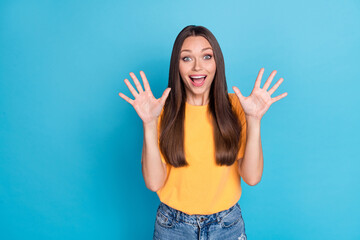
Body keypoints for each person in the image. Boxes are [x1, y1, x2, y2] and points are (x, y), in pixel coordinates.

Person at [119, 25, 287, 240]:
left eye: (206, 56)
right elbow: (154, 183)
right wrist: (149, 123)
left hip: (227, 226)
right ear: (176, 66)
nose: (198, 67)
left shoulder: (236, 107)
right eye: (186, 58)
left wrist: (253, 120)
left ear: (217, 62)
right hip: (173, 227)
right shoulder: (161, 110)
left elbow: (252, 177)